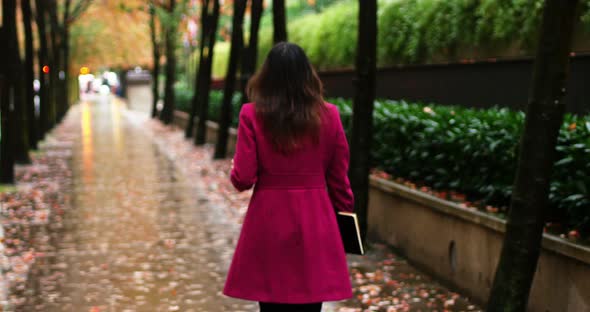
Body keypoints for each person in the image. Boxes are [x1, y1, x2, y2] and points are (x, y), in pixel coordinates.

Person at [223, 42, 354, 312]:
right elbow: (339, 181)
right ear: (307, 74)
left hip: (269, 220)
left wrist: (235, 169)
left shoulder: (252, 114)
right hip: (316, 220)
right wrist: (345, 219)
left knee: (271, 304)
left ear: (267, 75)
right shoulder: (329, 115)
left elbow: (244, 178)